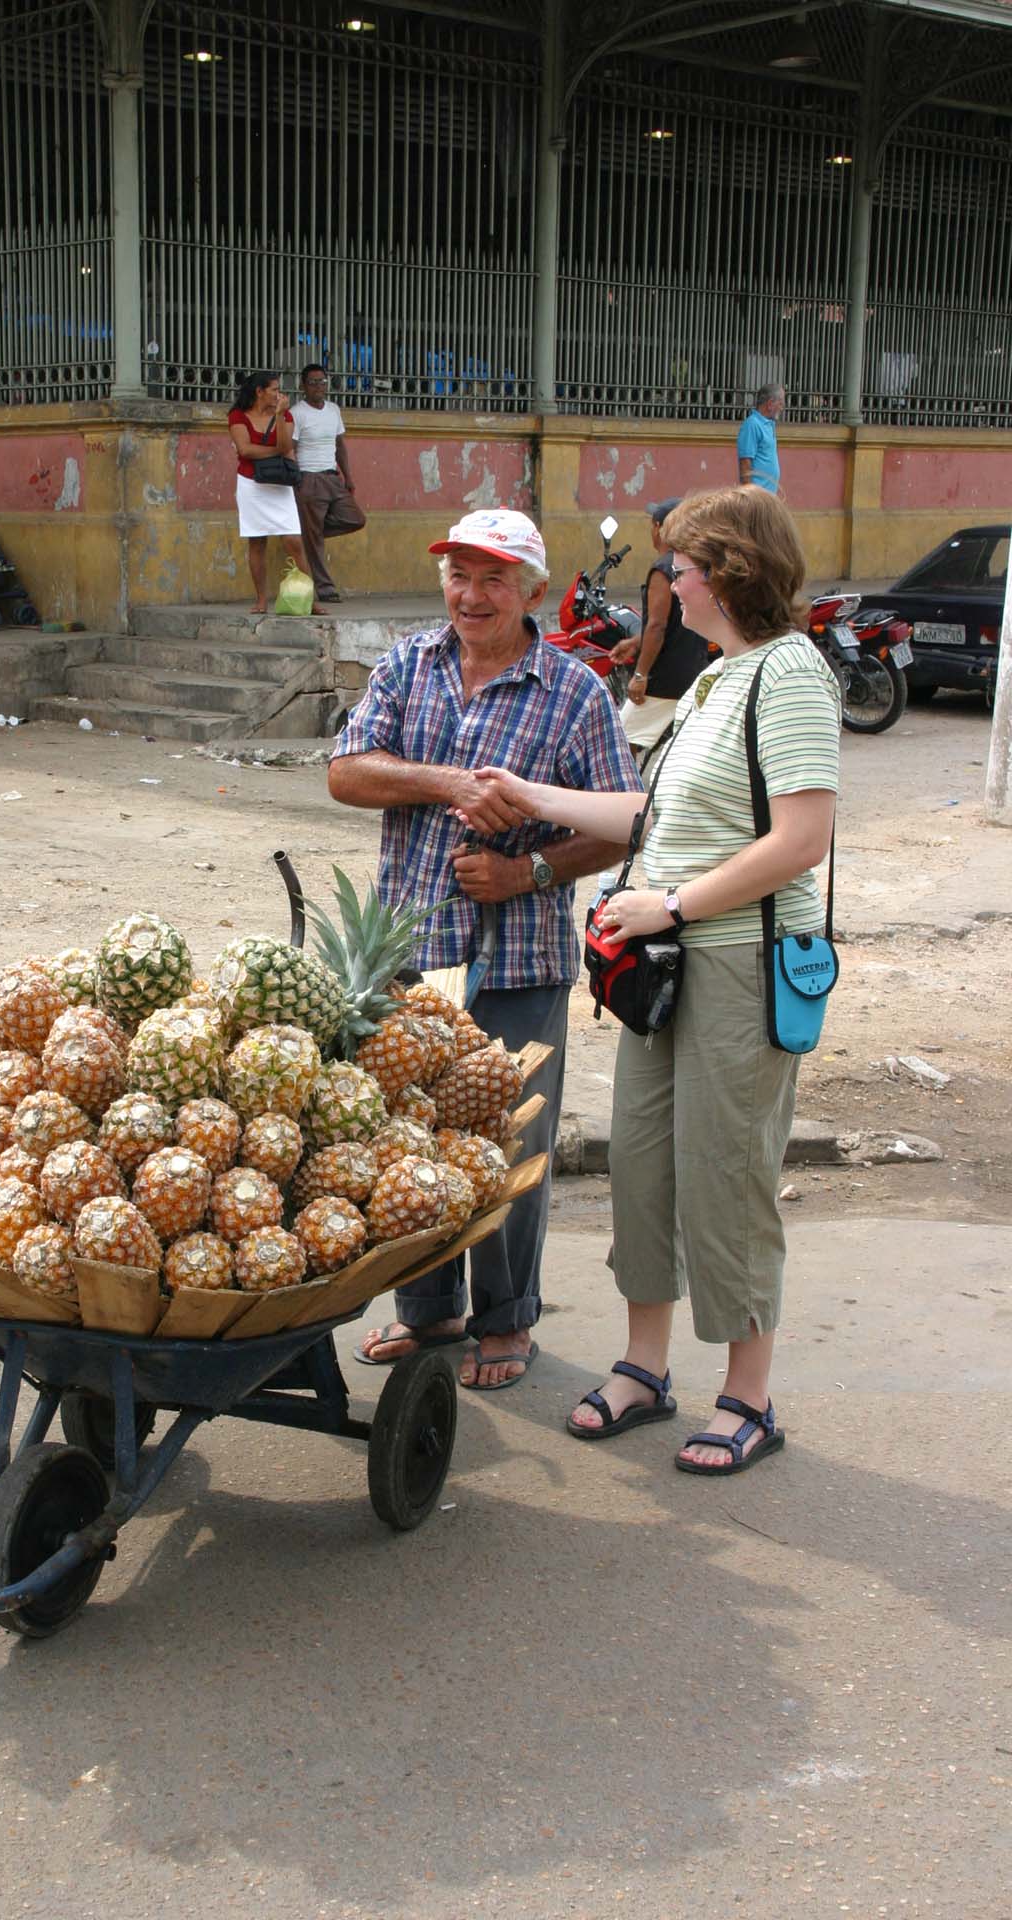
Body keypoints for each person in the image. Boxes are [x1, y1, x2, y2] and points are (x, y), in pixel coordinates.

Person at [457, 487, 839, 1466]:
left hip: (738, 965)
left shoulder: (787, 673)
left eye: (682, 562)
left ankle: (746, 1398)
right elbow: (652, 817)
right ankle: (642, 1367)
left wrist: (667, 905)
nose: (667, 578)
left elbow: (800, 841)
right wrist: (528, 795)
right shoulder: (716, 679)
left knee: (724, 1174)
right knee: (641, 1161)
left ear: (729, 571)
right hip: (666, 970)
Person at [328, 507, 642, 1389]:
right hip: (409, 953)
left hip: (517, 957)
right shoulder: (407, 665)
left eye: (493, 579)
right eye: (459, 576)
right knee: (411, 1139)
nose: (472, 595)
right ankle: (430, 1315)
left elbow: (623, 824)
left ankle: (507, 1322)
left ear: (534, 592)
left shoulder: (575, 690)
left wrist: (530, 872)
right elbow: (347, 771)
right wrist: (449, 783)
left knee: (509, 1144)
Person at [610, 496, 710, 766]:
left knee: (619, 744)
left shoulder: (663, 569)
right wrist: (636, 641)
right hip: (693, 668)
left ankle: (620, 801)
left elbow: (658, 624)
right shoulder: (694, 563)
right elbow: (678, 620)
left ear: (658, 528)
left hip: (664, 678)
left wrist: (640, 675)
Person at [227, 371, 310, 614]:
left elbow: (286, 446)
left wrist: (280, 416)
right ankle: (261, 599)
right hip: (251, 484)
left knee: (294, 541)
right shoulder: (238, 415)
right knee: (257, 540)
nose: (279, 394)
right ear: (259, 391)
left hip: (280, 484)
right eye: (274, 389)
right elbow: (245, 450)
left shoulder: (285, 414)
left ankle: (309, 598)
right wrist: (276, 451)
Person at [290, 363, 366, 602]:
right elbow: (290, 449)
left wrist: (348, 477)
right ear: (303, 386)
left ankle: (311, 534)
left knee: (355, 519)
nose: (319, 387)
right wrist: (296, 481)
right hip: (308, 478)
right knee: (314, 540)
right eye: (313, 382)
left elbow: (340, 445)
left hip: (333, 477)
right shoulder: (296, 413)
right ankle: (325, 590)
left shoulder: (333, 410)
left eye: (323, 382)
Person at [737, 382, 784, 493]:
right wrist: (750, 496)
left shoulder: (769, 424)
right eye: (780, 403)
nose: (782, 408)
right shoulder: (752, 424)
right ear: (770, 404)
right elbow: (745, 463)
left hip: (768, 496)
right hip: (757, 497)